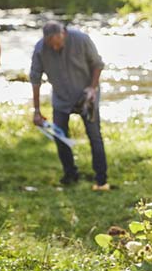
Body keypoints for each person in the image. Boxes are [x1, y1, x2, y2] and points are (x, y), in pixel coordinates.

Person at [29, 21, 109, 190]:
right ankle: (70, 174)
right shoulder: (40, 49)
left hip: (86, 96)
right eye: (52, 45)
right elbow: (35, 79)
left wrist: (92, 88)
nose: (55, 48)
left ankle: (101, 179)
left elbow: (98, 64)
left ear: (63, 34)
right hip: (61, 99)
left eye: (58, 44)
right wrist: (36, 111)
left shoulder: (81, 39)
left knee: (94, 136)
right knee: (60, 136)